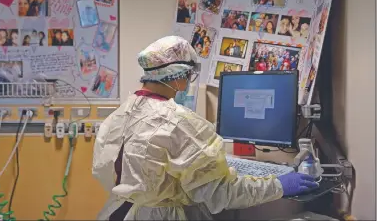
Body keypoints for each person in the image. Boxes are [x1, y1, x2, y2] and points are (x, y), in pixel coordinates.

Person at [92, 36, 318, 220]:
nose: (188, 82)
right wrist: (278, 185)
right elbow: (221, 193)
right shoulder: (179, 122)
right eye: (189, 75)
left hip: (121, 212)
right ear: (178, 77)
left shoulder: (120, 114)